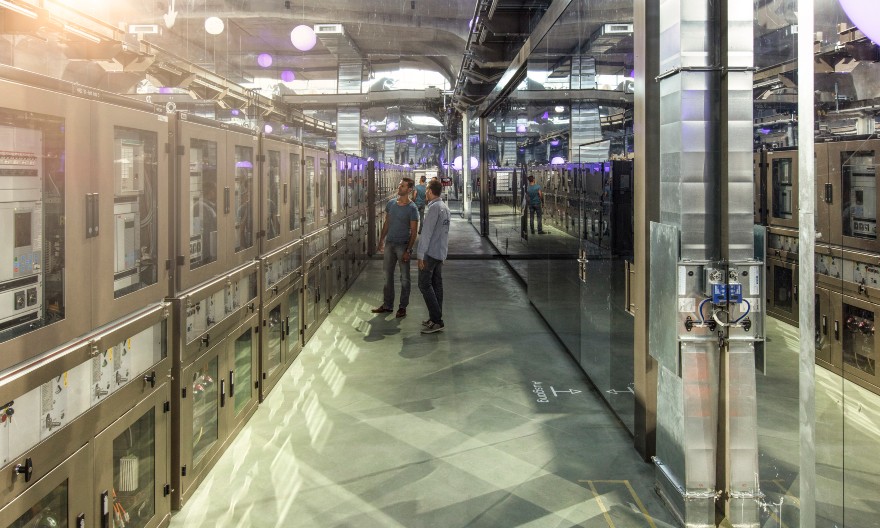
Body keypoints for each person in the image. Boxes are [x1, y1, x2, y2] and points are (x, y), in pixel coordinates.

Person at [372, 178, 419, 318]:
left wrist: (408, 250)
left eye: (402, 186)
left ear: (409, 189)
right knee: (387, 276)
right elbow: (387, 223)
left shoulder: (412, 208)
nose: (399, 187)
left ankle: (402, 307)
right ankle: (387, 305)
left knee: (405, 278)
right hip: (390, 244)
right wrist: (381, 240)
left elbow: (414, 231)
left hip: (403, 245)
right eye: (399, 185)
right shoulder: (391, 204)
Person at [417, 179, 451, 334]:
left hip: (430, 253)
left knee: (424, 284)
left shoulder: (434, 208)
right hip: (440, 252)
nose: (425, 192)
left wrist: (420, 255)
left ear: (430, 191)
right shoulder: (444, 207)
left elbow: (426, 233)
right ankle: (434, 318)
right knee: (437, 285)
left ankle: (437, 320)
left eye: (426, 190)